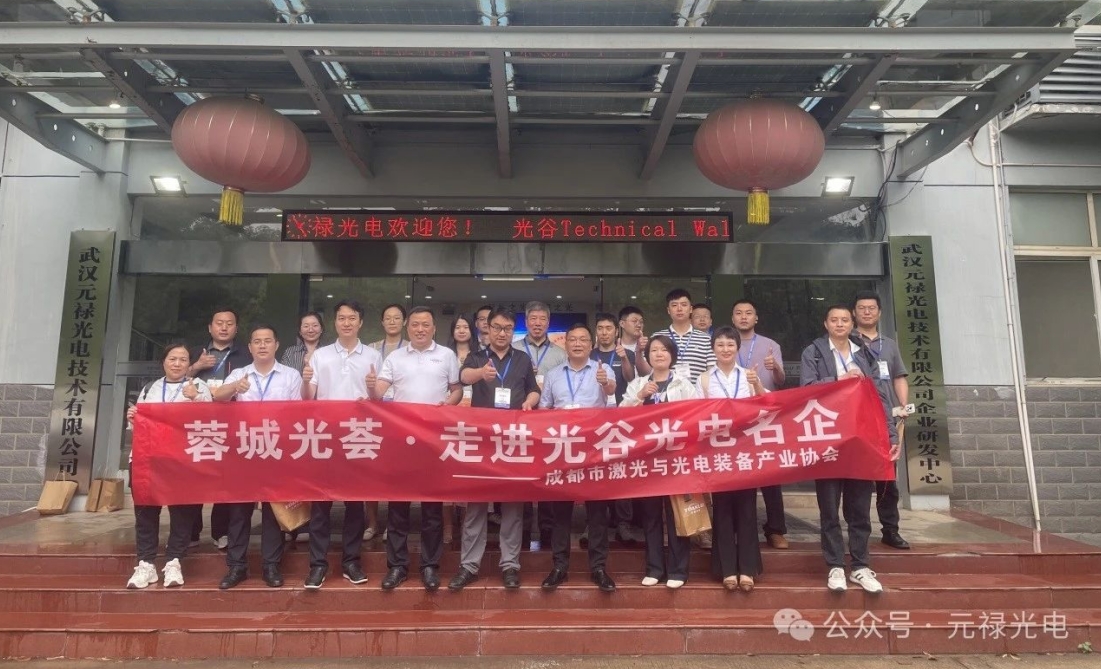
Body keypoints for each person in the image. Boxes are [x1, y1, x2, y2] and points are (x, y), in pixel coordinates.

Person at [800, 304, 899, 594]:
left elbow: (881, 396)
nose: (840, 324)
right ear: (826, 324)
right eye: (834, 320)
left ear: (851, 323)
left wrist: (891, 435)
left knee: (859, 507)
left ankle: (860, 566)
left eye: (845, 319)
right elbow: (806, 388)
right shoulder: (813, 352)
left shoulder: (864, 353)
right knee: (829, 508)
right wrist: (837, 380)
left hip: (861, 441)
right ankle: (834, 566)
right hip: (828, 440)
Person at [369, 307, 462, 592]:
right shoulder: (395, 357)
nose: (420, 329)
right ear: (407, 328)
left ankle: (430, 566)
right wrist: (372, 388)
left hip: (433, 442)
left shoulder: (447, 355)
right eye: (415, 325)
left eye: (425, 324)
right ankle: (397, 566)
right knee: (398, 507)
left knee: (432, 508)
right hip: (402, 442)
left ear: (434, 328)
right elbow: (379, 393)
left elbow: (456, 389)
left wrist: (449, 403)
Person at [449, 308, 540, 591]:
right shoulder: (477, 357)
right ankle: (469, 566)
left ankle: (510, 564)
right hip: (483, 440)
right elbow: (464, 376)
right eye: (497, 327)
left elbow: (534, 389)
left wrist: (530, 402)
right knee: (476, 505)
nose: (502, 333)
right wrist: (481, 374)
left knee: (513, 505)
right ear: (487, 328)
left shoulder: (522, 359)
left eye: (508, 328)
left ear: (513, 331)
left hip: (513, 440)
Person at [212, 324, 304, 589]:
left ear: (276, 345)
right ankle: (236, 566)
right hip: (245, 451)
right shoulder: (239, 373)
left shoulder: (290, 375)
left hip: (277, 450)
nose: (262, 345)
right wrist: (234, 388)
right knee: (239, 510)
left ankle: (271, 565)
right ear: (250, 347)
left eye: (267, 340)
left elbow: (298, 412)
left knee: (274, 510)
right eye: (257, 341)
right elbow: (217, 397)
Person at [300, 299, 383, 590]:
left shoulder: (373, 356)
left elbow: (381, 399)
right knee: (321, 503)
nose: (346, 323)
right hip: (325, 436)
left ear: (361, 322)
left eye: (352, 318)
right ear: (335, 323)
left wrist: (371, 390)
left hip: (358, 436)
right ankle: (318, 565)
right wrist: (305, 380)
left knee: (355, 503)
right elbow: (308, 397)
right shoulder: (320, 356)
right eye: (341, 318)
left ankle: (351, 561)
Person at [125, 341, 211, 589]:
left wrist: (196, 399)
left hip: (182, 461)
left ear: (189, 364)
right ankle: (146, 563)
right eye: (172, 359)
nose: (177, 364)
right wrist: (132, 418)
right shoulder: (149, 388)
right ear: (163, 362)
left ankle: (174, 561)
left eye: (183, 359)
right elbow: (137, 428)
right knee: (145, 511)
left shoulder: (199, 386)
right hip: (148, 460)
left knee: (182, 512)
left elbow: (210, 422)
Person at [539, 324, 618, 593]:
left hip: (593, 449)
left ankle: (598, 567)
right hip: (562, 449)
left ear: (591, 344)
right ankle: (559, 567)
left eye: (583, 339)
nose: (577, 343)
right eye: (572, 339)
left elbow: (612, 397)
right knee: (560, 512)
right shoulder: (553, 374)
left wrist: (605, 383)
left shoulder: (602, 370)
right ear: (565, 344)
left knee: (597, 512)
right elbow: (544, 409)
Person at [621, 335, 700, 589]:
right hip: (648, 460)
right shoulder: (638, 383)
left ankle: (678, 570)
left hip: (676, 460)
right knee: (651, 515)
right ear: (648, 356)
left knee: (677, 513)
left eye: (664, 350)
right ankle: (654, 568)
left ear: (672, 355)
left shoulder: (684, 384)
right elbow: (621, 416)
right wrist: (640, 396)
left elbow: (697, 416)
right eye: (654, 350)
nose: (659, 354)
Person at [695, 326, 766, 592]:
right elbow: (696, 414)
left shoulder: (748, 376)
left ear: (738, 348)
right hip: (718, 452)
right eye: (720, 345)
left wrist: (757, 384)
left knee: (747, 509)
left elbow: (768, 405)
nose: (725, 349)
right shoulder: (704, 379)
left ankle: (747, 569)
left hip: (746, 450)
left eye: (730, 345)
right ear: (713, 348)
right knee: (722, 509)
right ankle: (726, 569)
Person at [187, 308, 252, 551]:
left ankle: (220, 531)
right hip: (197, 422)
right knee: (193, 476)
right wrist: (196, 365)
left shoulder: (245, 354)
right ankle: (191, 532)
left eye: (229, 323)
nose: (224, 327)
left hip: (230, 422)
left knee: (226, 476)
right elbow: (175, 375)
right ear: (210, 327)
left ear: (236, 328)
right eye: (219, 323)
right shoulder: (195, 351)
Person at [853, 290, 912, 550]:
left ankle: (890, 529)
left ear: (879, 312)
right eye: (861, 308)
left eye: (871, 308)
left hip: (887, 418)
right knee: (860, 480)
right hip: (859, 419)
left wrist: (903, 405)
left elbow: (899, 376)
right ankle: (859, 532)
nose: (866, 312)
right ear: (854, 312)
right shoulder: (848, 342)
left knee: (888, 478)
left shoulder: (889, 344)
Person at [732, 299, 790, 550]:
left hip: (765, 416)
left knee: (770, 473)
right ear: (732, 318)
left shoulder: (770, 345)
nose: (744, 317)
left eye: (748, 313)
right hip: (734, 418)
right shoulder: (725, 343)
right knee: (736, 472)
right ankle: (737, 528)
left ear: (756, 318)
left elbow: (781, 380)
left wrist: (774, 367)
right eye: (739, 313)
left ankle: (775, 529)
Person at [513, 300, 566, 551]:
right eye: (533, 319)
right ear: (526, 322)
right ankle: (522, 534)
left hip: (549, 422)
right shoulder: (514, 349)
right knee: (521, 477)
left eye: (542, 319)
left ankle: (547, 533)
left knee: (548, 476)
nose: (537, 323)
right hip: (519, 421)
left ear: (548, 322)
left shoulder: (560, 353)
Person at [365, 303, 409, 539]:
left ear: (404, 322)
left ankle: (393, 524)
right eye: (388, 318)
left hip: (400, 417)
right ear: (382, 322)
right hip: (374, 414)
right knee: (371, 470)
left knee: (396, 471)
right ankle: (372, 523)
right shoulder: (371, 349)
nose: (392, 322)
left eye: (397, 318)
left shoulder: (410, 349)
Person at [444, 313, 476, 543]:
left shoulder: (479, 354)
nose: (462, 330)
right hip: (447, 416)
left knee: (466, 472)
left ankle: (466, 524)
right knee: (447, 472)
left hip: (472, 419)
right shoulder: (444, 354)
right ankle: (447, 526)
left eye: (466, 327)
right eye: (458, 327)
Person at [650, 289, 715, 384]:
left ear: (691, 309)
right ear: (668, 310)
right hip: (666, 392)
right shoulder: (657, 337)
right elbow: (648, 370)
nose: (679, 309)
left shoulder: (707, 339)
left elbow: (712, 372)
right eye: (674, 305)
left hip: (696, 392)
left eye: (684, 305)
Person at [617, 306, 651, 376]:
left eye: (641, 322)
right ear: (622, 324)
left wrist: (640, 351)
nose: (639, 325)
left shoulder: (649, 347)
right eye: (634, 321)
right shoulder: (614, 346)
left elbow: (648, 374)